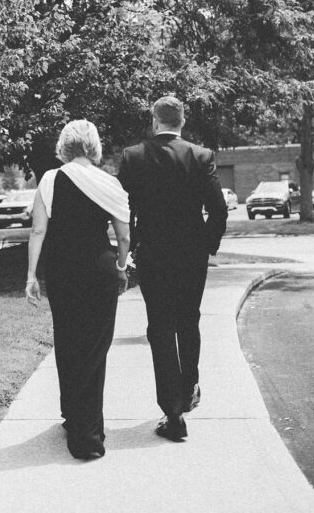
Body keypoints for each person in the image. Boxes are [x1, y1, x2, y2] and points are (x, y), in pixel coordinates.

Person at [118, 95, 228, 442]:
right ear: (182, 122)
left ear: (155, 121)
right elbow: (219, 209)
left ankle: (173, 411)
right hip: (191, 256)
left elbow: (123, 208)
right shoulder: (201, 156)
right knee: (189, 321)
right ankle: (189, 388)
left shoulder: (133, 157)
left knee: (161, 327)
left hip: (153, 255)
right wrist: (206, 246)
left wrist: (130, 246)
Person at [26, 119, 131, 460]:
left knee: (68, 341)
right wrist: (121, 267)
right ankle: (88, 437)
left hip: (62, 271)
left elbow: (38, 231)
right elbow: (124, 236)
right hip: (100, 270)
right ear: (94, 146)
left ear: (64, 146)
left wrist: (31, 275)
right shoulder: (109, 183)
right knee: (95, 348)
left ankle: (73, 415)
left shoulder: (50, 179)